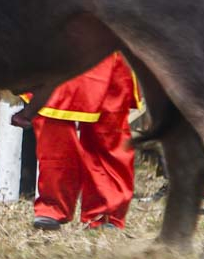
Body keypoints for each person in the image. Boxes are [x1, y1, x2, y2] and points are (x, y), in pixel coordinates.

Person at [29, 54, 137, 231]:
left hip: (111, 40)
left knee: (108, 127)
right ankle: (52, 207)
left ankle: (105, 213)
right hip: (59, 44)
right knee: (53, 121)